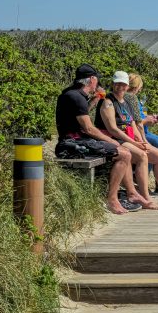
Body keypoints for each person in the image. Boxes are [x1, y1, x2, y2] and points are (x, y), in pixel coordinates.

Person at [55, 64, 143, 216]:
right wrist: (111, 141)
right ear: (92, 79)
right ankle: (112, 199)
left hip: (73, 141)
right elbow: (89, 129)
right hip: (72, 144)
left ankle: (129, 193)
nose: (98, 83)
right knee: (124, 154)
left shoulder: (71, 93)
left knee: (123, 151)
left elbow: (81, 112)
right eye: (97, 79)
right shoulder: (76, 97)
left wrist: (95, 99)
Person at [97, 72, 158, 207]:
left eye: (123, 84)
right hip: (114, 139)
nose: (120, 87)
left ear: (127, 86)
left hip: (128, 138)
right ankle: (145, 198)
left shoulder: (126, 102)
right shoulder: (107, 102)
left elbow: (133, 124)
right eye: (117, 83)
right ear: (113, 84)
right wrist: (134, 143)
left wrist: (142, 141)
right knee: (142, 155)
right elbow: (113, 129)